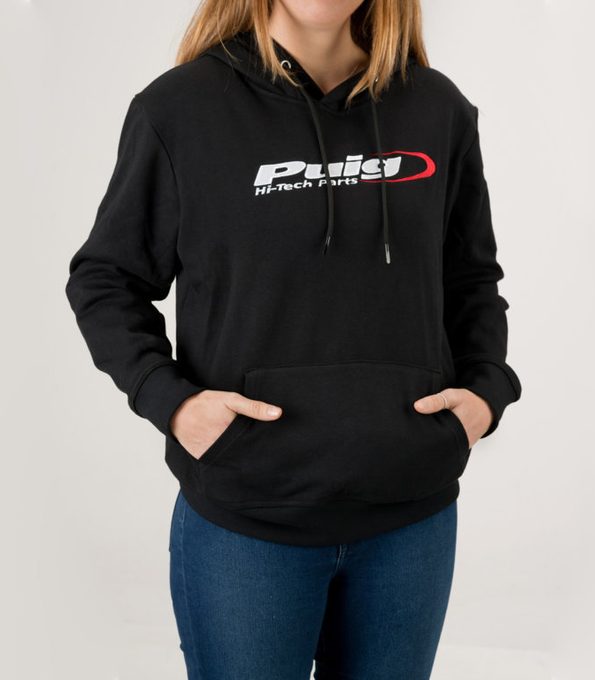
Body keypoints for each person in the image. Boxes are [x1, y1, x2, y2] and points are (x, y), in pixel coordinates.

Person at [65, 0, 522, 677]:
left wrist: (485, 393)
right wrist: (173, 403)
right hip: (248, 519)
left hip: (409, 515)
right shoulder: (180, 110)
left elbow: (470, 279)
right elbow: (106, 279)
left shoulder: (437, 110)